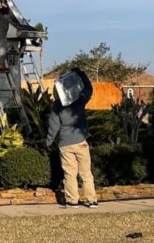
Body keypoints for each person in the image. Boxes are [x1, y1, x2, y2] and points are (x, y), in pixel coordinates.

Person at [46, 68, 98, 209]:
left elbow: (53, 125)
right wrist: (82, 73)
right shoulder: (79, 101)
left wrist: (49, 142)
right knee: (86, 173)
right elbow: (89, 89)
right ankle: (91, 200)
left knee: (70, 173)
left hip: (64, 143)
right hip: (80, 141)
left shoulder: (57, 106)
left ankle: (72, 201)